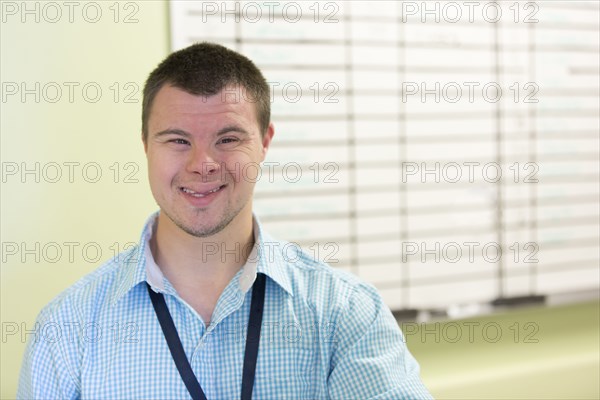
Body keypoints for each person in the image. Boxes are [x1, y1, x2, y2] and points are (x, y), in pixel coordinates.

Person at [17, 42, 432, 399]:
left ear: (265, 142)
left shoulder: (345, 313)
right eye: (178, 140)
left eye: (228, 139)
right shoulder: (67, 327)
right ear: (146, 144)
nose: (203, 164)